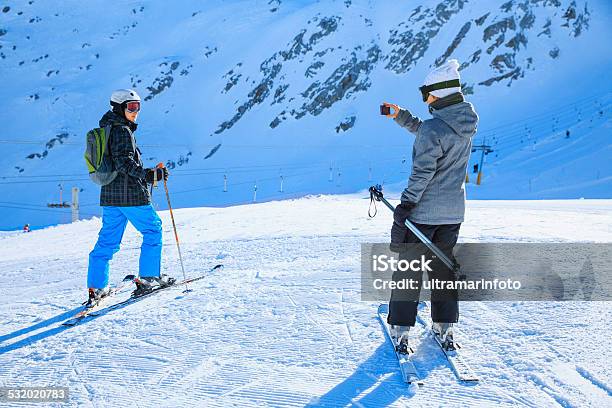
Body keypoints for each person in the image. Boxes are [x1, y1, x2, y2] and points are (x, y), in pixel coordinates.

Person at [381, 59, 478, 349]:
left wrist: (406, 205)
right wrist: (401, 115)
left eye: (428, 94)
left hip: (423, 214)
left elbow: (422, 170)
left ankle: (400, 329)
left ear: (441, 93)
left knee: (409, 270)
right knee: (442, 269)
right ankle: (444, 327)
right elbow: (431, 132)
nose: (426, 99)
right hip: (452, 213)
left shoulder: (434, 130)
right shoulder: (463, 124)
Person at [87, 89, 172, 305]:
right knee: (153, 230)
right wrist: (149, 174)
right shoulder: (122, 130)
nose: (136, 111)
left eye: (138, 106)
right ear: (119, 107)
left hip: (110, 194)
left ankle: (97, 286)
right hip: (130, 195)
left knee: (107, 241)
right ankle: (149, 278)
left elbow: (116, 162)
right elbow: (124, 162)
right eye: (131, 106)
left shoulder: (106, 128)